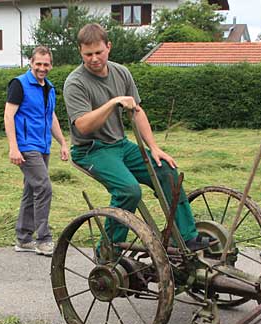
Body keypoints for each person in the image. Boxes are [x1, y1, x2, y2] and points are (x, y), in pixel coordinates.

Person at [63, 23, 208, 254]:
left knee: (167, 172)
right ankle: (109, 250)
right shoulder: (75, 82)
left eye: (98, 52)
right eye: (87, 54)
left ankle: (185, 238)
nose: (93, 59)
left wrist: (154, 147)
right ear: (80, 51)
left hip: (121, 145)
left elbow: (137, 111)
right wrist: (112, 103)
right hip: (92, 150)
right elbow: (83, 126)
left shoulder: (121, 72)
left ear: (108, 47)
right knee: (129, 191)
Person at [4, 46, 68, 257]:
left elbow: (51, 117)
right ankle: (43, 239)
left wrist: (62, 142)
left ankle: (23, 239)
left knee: (32, 190)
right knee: (43, 187)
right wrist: (13, 147)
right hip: (26, 146)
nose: (42, 68)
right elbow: (9, 116)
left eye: (46, 64)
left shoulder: (49, 87)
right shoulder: (19, 84)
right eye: (38, 64)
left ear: (51, 65)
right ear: (31, 63)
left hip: (43, 146)